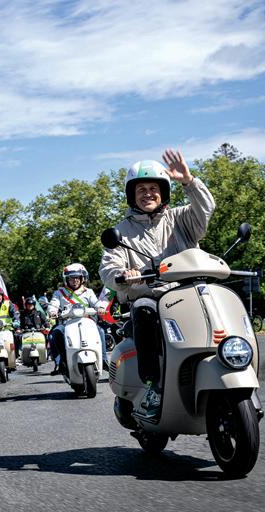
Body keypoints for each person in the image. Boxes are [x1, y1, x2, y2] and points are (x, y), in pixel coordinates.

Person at [99, 150, 216, 419]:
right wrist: (121, 274)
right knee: (143, 308)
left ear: (163, 192)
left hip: (188, 292)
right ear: (132, 195)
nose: (148, 194)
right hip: (150, 296)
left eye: (154, 188)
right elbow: (108, 267)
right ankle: (153, 385)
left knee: (217, 298)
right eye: (141, 189)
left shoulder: (181, 219)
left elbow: (206, 209)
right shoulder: (121, 232)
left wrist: (189, 181)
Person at [47, 263, 107, 376]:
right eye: (71, 278)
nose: (75, 280)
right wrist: (52, 311)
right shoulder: (59, 293)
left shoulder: (88, 292)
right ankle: (61, 362)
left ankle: (103, 360)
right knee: (55, 333)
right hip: (66, 323)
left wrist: (101, 308)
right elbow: (53, 304)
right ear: (67, 280)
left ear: (82, 279)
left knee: (101, 331)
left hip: (86, 322)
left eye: (77, 277)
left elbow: (96, 303)